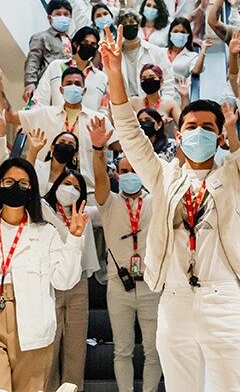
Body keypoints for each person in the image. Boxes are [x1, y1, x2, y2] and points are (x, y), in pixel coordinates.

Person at [99, 23, 240, 391]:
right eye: (191, 126)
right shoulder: (162, 176)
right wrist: (115, 74)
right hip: (174, 299)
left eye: (208, 127)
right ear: (178, 134)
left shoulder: (239, 173)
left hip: (223, 299)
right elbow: (130, 134)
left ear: (221, 136)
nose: (199, 132)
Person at [0, 158, 86, 392]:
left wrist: (74, 239)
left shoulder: (45, 233)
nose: (15, 187)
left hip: (32, 326)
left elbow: (65, 280)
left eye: (23, 183)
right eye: (9, 182)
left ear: (31, 191)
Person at [89, 117, 162, 392]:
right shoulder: (110, 203)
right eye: (124, 170)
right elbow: (98, 178)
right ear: (117, 174)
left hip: (151, 285)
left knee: (154, 350)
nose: (129, 174)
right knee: (123, 349)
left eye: (134, 169)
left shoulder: (156, 201)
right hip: (119, 286)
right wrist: (99, 150)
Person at [0, 64, 120, 191]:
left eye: (77, 84)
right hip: (45, 188)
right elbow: (11, 116)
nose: (73, 87)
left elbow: (120, 147)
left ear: (84, 90)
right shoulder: (44, 113)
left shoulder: (98, 120)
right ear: (61, 89)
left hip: (86, 189)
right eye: (69, 84)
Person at [42, 170, 99, 391]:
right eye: (66, 183)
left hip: (78, 282)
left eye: (76, 187)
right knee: (50, 346)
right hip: (50, 282)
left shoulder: (84, 214)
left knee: (75, 348)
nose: (70, 190)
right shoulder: (42, 211)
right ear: (56, 184)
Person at [32, 26, 108, 111]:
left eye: (93, 44)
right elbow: (40, 99)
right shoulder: (56, 67)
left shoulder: (102, 78)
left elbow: (104, 110)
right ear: (76, 44)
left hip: (87, 123)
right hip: (56, 121)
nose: (89, 47)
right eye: (85, 42)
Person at [114, 9, 175, 98]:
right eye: (124, 24)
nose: (128, 25)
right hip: (126, 105)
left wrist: (162, 105)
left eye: (131, 22)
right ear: (119, 29)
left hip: (152, 106)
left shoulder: (156, 51)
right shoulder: (115, 56)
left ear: (138, 25)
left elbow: (168, 81)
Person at [23, 0, 73, 102]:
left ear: (70, 17)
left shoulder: (73, 41)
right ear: (50, 18)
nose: (62, 17)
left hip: (69, 88)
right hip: (48, 86)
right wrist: (30, 83)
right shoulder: (41, 37)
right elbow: (33, 61)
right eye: (58, 14)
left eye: (66, 14)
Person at [166, 17, 213, 84]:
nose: (179, 34)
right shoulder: (161, 52)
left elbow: (196, 70)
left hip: (177, 92)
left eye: (183, 32)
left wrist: (203, 50)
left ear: (188, 35)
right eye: (175, 31)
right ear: (170, 33)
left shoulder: (192, 56)